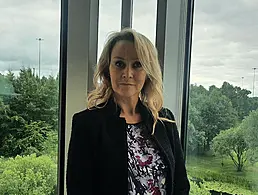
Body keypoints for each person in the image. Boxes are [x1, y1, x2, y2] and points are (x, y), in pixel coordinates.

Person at [66, 28, 190, 195]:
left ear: (148, 72)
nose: (127, 73)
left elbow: (181, 185)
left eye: (137, 65)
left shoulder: (163, 120)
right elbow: (78, 190)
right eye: (119, 64)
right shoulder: (87, 124)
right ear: (107, 70)